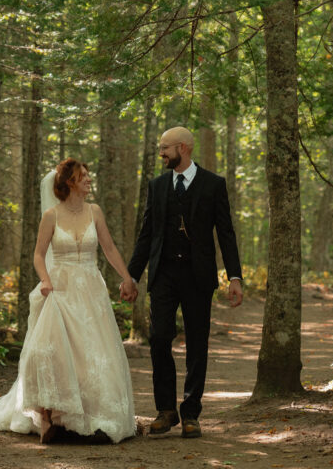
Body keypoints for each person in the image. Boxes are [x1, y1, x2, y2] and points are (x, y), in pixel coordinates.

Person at [0, 158, 136, 444]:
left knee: (93, 353)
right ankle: (50, 416)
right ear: (69, 182)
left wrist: (127, 277)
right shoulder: (51, 215)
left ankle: (91, 417)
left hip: (90, 290)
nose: (89, 180)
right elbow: (39, 255)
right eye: (83, 176)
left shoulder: (95, 211)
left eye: (89, 175)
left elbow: (109, 248)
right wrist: (46, 280)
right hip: (60, 288)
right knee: (52, 350)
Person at [122, 126, 242, 439]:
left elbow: (225, 233)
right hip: (163, 275)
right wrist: (131, 276)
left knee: (197, 345)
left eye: (165, 148)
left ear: (183, 148)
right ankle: (166, 410)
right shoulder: (157, 185)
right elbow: (147, 235)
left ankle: (191, 413)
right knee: (160, 338)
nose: (161, 153)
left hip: (198, 276)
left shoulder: (214, 185)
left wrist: (234, 276)